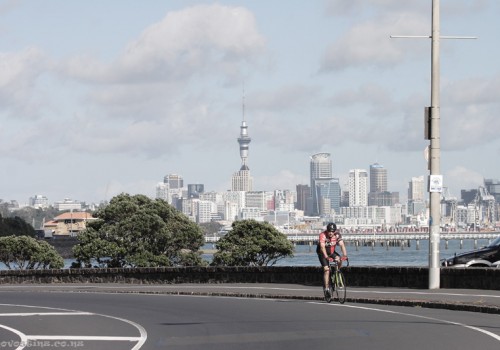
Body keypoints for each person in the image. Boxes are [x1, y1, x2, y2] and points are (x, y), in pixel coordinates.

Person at [317, 222, 348, 295]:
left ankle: (337, 271)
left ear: (335, 231)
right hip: (322, 253)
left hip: (331, 252)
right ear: (327, 230)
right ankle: (327, 288)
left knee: (339, 259)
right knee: (326, 270)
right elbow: (322, 247)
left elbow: (342, 245)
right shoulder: (323, 235)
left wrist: (345, 255)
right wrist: (327, 257)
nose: (331, 233)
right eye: (329, 231)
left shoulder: (337, 235)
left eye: (332, 231)